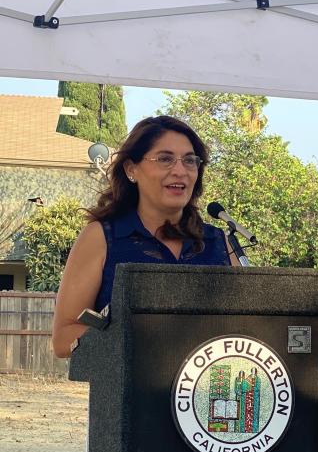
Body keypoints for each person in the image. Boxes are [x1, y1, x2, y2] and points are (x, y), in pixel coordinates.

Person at [52, 115, 238, 358]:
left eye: (190, 161)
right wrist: (140, 338)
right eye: (165, 159)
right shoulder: (102, 236)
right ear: (131, 170)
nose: (180, 171)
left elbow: (249, 327)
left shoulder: (220, 242)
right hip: (129, 394)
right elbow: (63, 339)